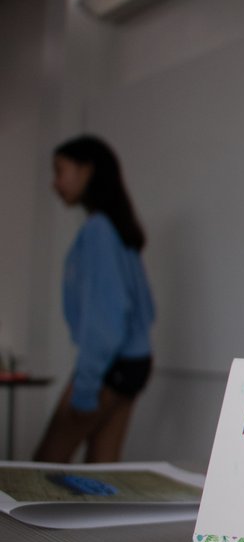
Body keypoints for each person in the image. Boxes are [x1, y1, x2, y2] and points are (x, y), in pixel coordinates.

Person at [34, 135, 156, 463]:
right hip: (134, 362)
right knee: (102, 471)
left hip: (109, 364)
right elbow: (146, 307)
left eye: (60, 171)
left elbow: (107, 317)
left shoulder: (99, 230)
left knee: (43, 469)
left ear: (87, 170)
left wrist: (86, 386)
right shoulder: (117, 228)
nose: (55, 183)